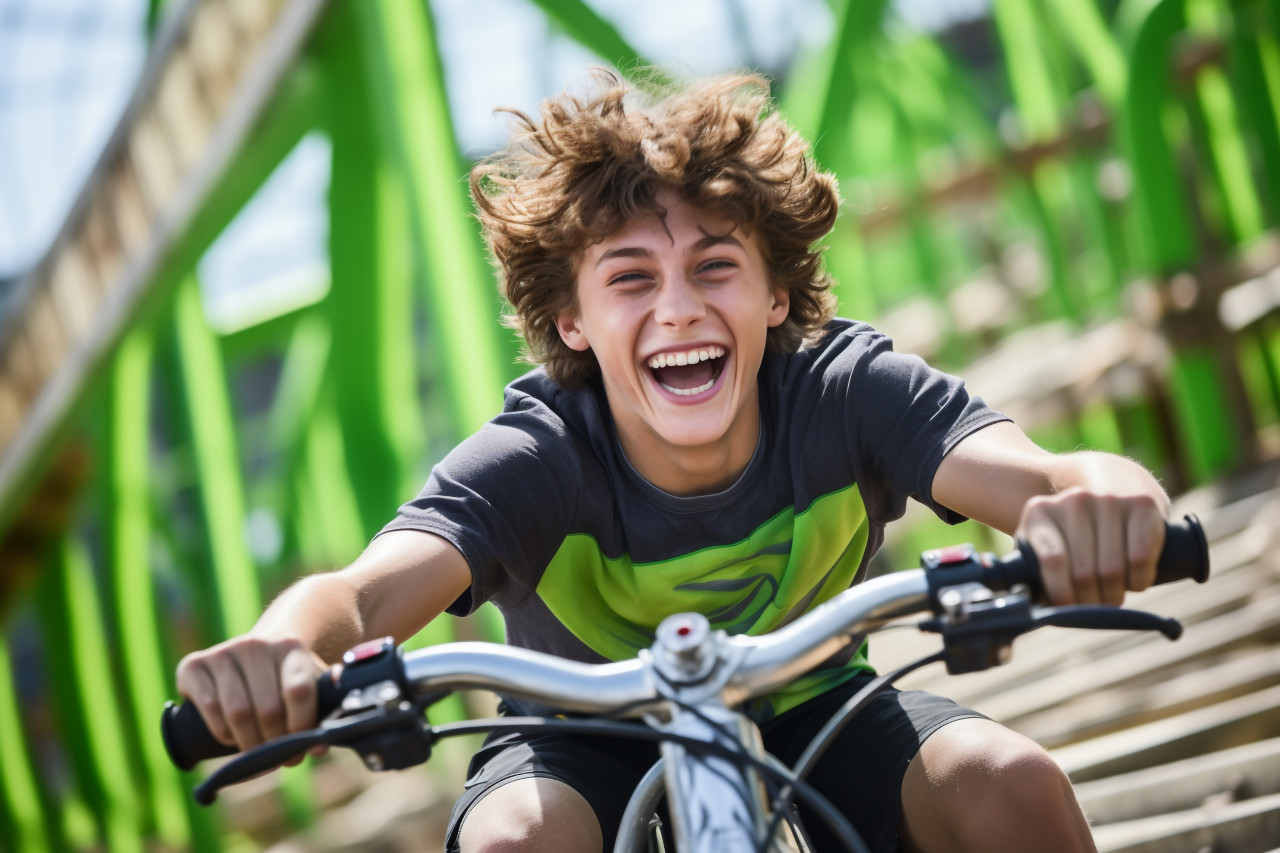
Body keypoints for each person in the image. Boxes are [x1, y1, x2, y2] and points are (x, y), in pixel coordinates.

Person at [176, 70, 1168, 853]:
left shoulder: (844, 390)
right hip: (577, 739)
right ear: (570, 319)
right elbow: (356, 595)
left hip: (815, 701)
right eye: (630, 278)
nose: (679, 307)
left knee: (1008, 786)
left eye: (715, 265)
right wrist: (282, 649)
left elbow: (1045, 477)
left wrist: (1106, 503)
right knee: (514, 839)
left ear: (775, 295)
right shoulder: (540, 453)